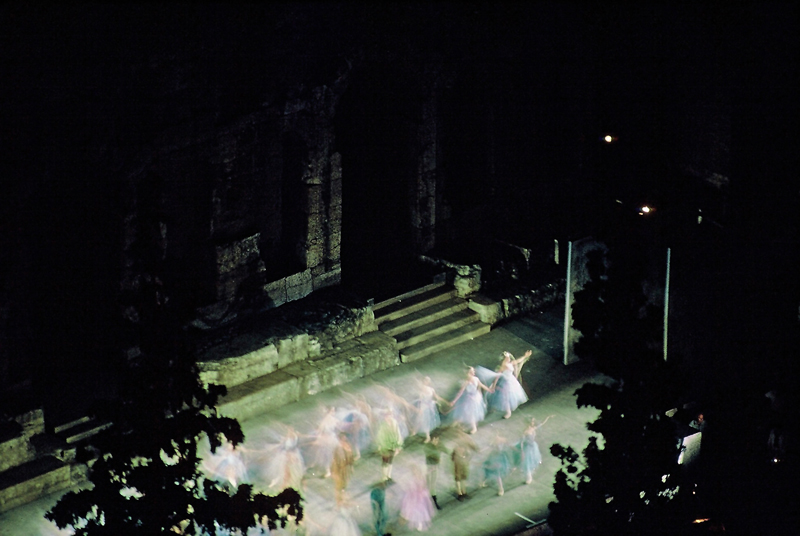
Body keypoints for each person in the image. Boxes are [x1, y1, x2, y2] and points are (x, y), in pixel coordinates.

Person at [477, 350, 532, 419]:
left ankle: (507, 412)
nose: (508, 358)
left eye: (508, 357)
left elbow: (518, 361)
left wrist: (525, 356)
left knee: (509, 397)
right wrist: (493, 386)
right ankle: (508, 412)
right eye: (507, 357)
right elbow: (497, 376)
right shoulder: (504, 365)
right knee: (504, 398)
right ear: (504, 359)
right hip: (505, 383)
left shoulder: (510, 363)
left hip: (511, 381)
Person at [260, 425, 306, 493]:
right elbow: (283, 445)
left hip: (291, 456)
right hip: (287, 457)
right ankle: (281, 487)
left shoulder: (293, 436)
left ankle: (281, 486)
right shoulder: (287, 437)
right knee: (286, 475)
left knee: (290, 474)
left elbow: (291, 446)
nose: (289, 431)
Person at [448, 367, 492, 434]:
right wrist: (454, 401)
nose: (473, 372)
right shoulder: (466, 382)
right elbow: (461, 392)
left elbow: (481, 385)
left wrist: (488, 389)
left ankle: (474, 428)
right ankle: (458, 422)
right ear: (468, 373)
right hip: (468, 398)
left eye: (473, 371)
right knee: (464, 411)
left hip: (475, 398)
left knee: (471, 414)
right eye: (471, 372)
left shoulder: (476, 379)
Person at [400, 464, 437, 531]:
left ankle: (419, 523)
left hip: (420, 496)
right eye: (413, 471)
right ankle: (413, 520)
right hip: (414, 496)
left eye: (415, 470)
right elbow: (410, 485)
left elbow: (423, 484)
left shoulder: (421, 477)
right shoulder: (413, 478)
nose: (415, 472)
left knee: (420, 510)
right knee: (414, 510)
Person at [518, 415, 552, 484]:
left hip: (532, 446)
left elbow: (541, 423)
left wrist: (548, 417)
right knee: (527, 463)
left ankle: (529, 477)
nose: (533, 423)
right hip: (527, 448)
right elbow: (521, 442)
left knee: (531, 461)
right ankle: (529, 477)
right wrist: (522, 451)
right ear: (527, 423)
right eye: (532, 421)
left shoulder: (533, 428)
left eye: (533, 421)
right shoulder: (525, 431)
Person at [412, 376, 447, 443]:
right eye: (425, 380)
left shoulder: (431, 389)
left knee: (425, 421)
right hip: (424, 405)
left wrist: (443, 401)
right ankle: (415, 430)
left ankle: (427, 437)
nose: (426, 382)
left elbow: (436, 396)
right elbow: (421, 399)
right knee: (420, 418)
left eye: (427, 381)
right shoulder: (422, 389)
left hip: (428, 406)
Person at [450, 428, 479, 501]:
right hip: (459, 460)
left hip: (462, 460)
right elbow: (471, 445)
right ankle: (460, 493)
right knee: (459, 477)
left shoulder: (462, 439)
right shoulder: (461, 439)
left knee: (462, 477)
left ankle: (463, 492)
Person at [375, 409, 404, 481]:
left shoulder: (395, 423)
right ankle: (384, 476)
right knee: (385, 461)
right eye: (387, 416)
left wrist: (398, 446)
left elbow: (398, 434)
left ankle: (389, 475)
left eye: (390, 415)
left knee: (390, 460)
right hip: (385, 446)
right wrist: (380, 445)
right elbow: (380, 436)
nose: (389, 417)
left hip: (393, 446)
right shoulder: (382, 425)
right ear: (384, 417)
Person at [423, 431, 449, 509]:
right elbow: (432, 454)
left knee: (432, 485)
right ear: (432, 439)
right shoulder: (428, 446)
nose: (437, 441)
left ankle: (434, 502)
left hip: (434, 467)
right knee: (428, 485)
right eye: (436, 439)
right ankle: (428, 503)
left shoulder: (438, 445)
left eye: (438, 440)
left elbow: (447, 451)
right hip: (429, 467)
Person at [330, 432, 355, 505]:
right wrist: (334, 473)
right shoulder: (337, 449)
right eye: (342, 439)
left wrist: (351, 467)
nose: (344, 441)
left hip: (346, 470)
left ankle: (342, 499)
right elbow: (335, 461)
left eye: (345, 439)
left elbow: (351, 459)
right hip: (338, 471)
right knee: (338, 487)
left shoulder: (348, 446)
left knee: (344, 485)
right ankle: (338, 502)